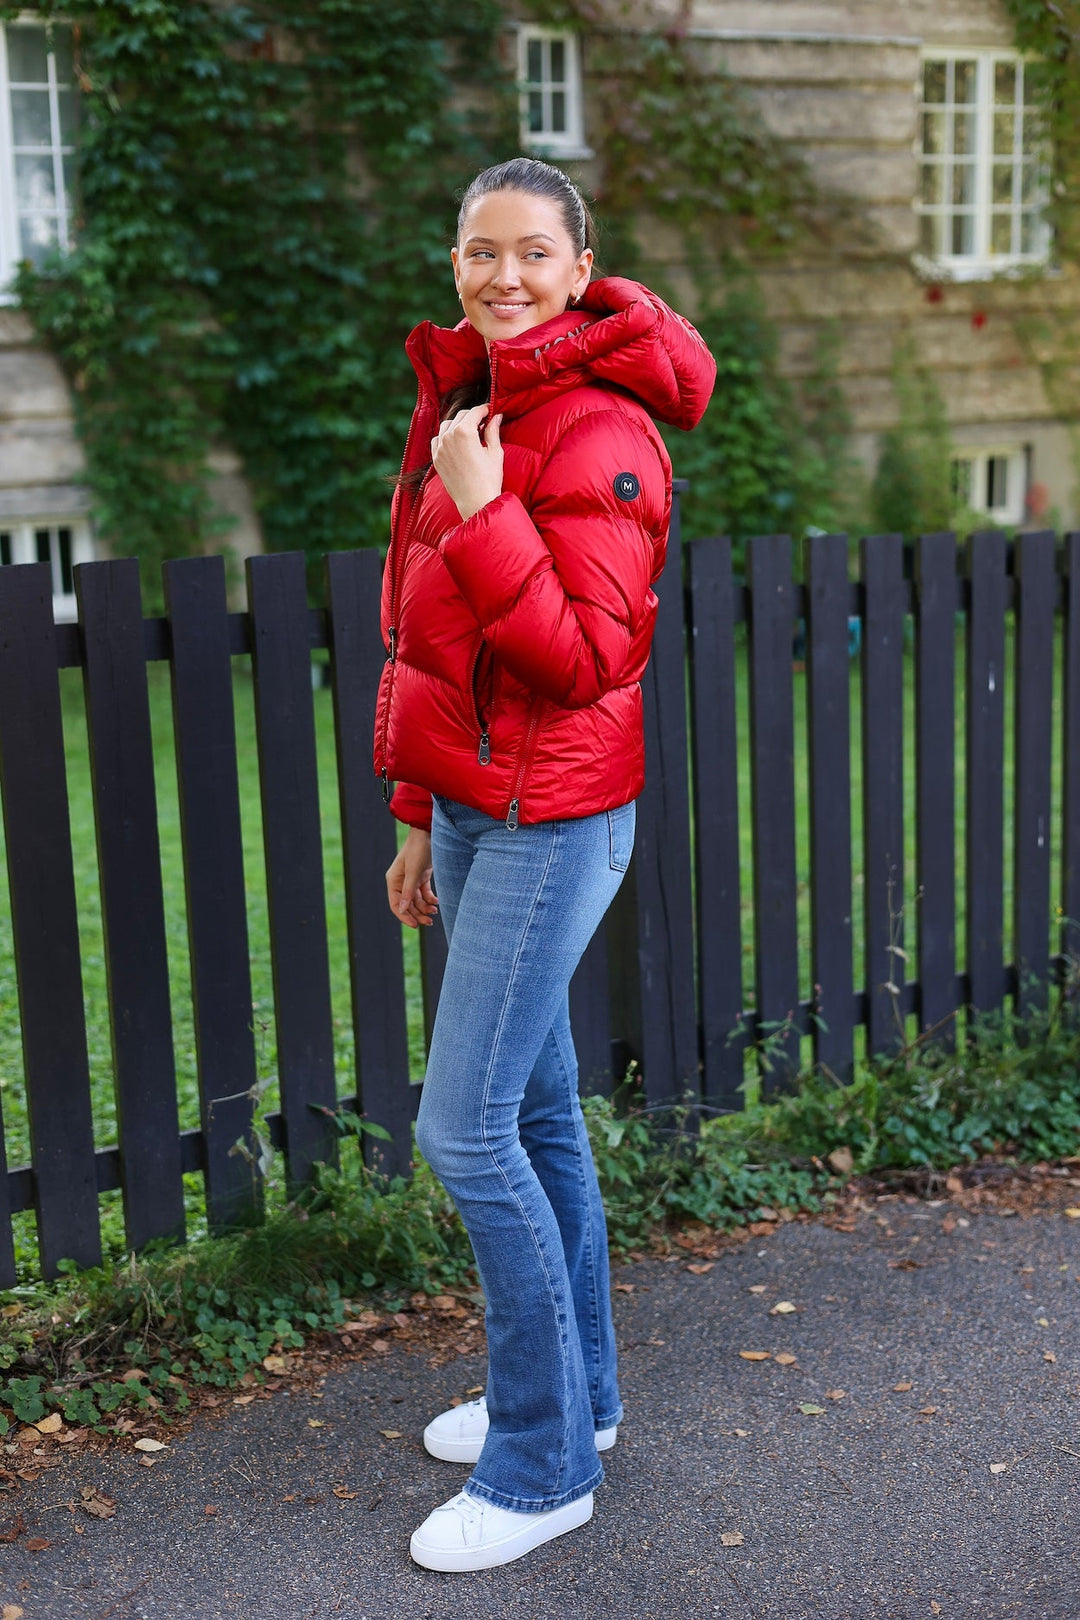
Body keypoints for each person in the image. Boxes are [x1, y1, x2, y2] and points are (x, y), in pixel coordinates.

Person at [375, 156, 715, 1573]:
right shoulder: (475, 402)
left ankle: (538, 1468)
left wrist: (486, 503)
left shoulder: (602, 428)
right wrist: (414, 811)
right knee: (539, 1116)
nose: (499, 277)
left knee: (466, 1133)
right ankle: (587, 1404)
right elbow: (432, 635)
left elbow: (587, 659)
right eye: (476, 251)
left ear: (582, 270)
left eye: (530, 254)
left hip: (553, 822)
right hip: (475, 809)